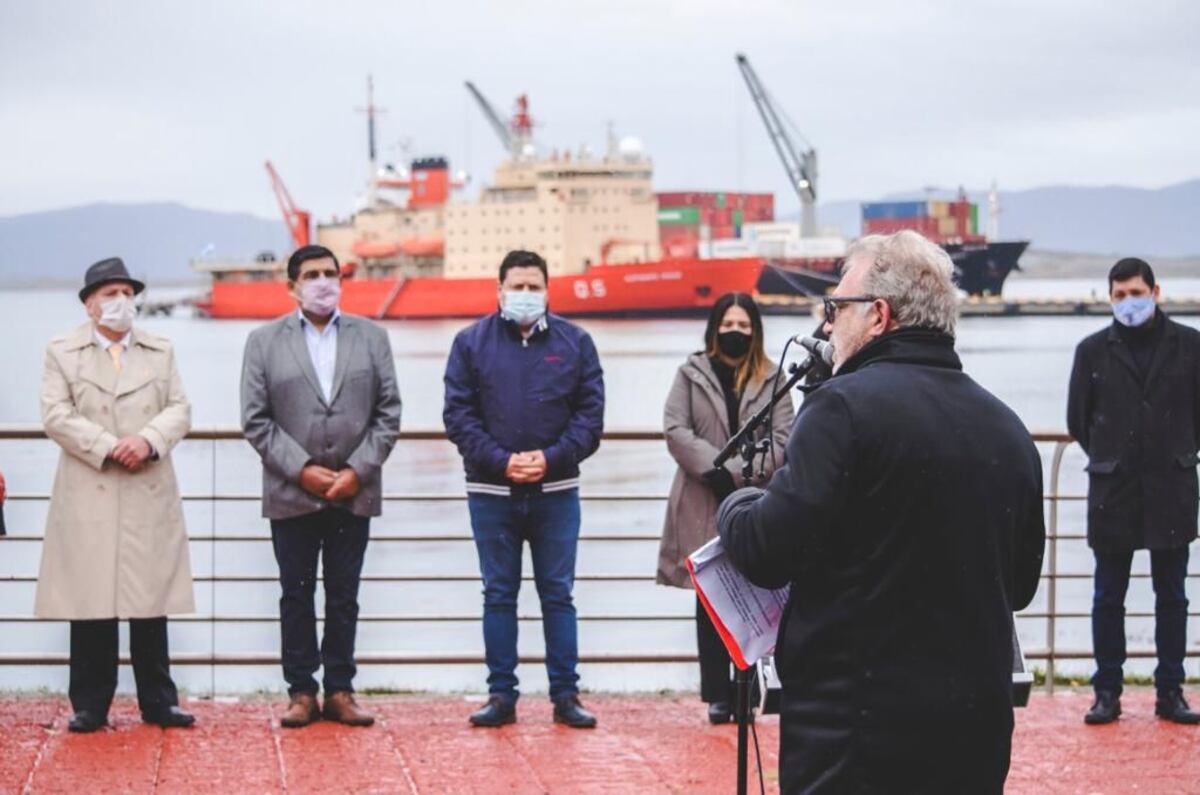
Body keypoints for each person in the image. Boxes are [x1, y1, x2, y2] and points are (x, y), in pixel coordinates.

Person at [717, 230, 1046, 793]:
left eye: (835, 308)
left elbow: (769, 550)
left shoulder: (840, 409)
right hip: (975, 728)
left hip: (855, 733)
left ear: (878, 315)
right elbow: (1019, 586)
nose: (826, 326)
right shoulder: (1008, 428)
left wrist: (736, 504)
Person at [240, 244, 401, 728]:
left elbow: (389, 413)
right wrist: (302, 469)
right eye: (311, 275)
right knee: (296, 594)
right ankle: (301, 692)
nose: (323, 282)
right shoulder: (263, 342)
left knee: (344, 594)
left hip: (354, 491)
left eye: (330, 273)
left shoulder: (372, 337)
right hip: (292, 493)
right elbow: (255, 420)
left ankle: (340, 690)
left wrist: (357, 470)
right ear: (292, 286)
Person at [443, 249, 605, 729]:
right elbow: (458, 416)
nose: (526, 294)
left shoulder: (577, 343)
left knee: (558, 594)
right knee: (498, 593)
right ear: (499, 290)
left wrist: (551, 458)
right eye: (517, 286)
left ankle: (566, 695)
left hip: (557, 491)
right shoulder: (469, 343)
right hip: (491, 493)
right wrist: (502, 461)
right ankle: (501, 695)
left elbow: (590, 417)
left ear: (548, 290)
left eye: (534, 286)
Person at [36, 257, 196, 733]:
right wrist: (108, 446)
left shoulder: (160, 350)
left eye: (128, 293)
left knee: (151, 600)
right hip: (91, 484)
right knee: (90, 600)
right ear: (89, 304)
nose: (121, 302)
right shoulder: (61, 351)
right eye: (110, 294)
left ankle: (159, 701)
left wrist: (148, 440)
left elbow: (179, 408)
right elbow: (55, 414)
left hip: (148, 483)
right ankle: (90, 704)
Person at [1067, 257, 1200, 725]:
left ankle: (1171, 692)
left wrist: (1177, 450)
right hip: (1114, 489)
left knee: (1173, 597)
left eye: (1136, 293)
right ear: (1110, 298)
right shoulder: (1091, 351)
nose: (1129, 302)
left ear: (1155, 292)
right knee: (1108, 597)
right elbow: (1077, 419)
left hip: (1172, 485)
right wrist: (1111, 455)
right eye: (1120, 295)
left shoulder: (1191, 346)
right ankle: (1106, 692)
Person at [658, 292, 793, 724]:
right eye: (729, 324)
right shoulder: (690, 373)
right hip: (703, 496)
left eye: (744, 325)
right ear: (715, 328)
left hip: (756, 498)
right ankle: (717, 694)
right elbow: (675, 428)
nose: (736, 332)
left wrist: (738, 475)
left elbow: (784, 437)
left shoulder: (775, 377)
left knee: (753, 596)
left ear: (756, 330)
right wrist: (713, 469)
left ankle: (747, 690)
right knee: (710, 599)